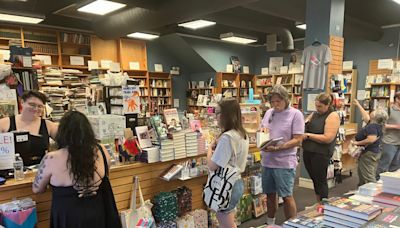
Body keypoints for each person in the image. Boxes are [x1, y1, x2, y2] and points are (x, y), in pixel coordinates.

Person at [32, 111, 121, 228]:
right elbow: (106, 171)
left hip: (67, 217)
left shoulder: (51, 158)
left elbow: (37, 189)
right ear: (88, 131)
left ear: (61, 133)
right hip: (98, 213)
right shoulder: (101, 150)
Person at [259, 85, 304, 225]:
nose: (275, 104)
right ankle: (270, 223)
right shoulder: (269, 113)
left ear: (286, 99)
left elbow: (298, 139)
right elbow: (263, 129)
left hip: (284, 162)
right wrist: (262, 135)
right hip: (267, 161)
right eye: (272, 101)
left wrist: (279, 147)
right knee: (270, 195)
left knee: (286, 196)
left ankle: (292, 224)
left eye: (278, 101)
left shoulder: (296, 114)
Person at [207, 98, 249, 228]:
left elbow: (212, 166)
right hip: (236, 182)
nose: (216, 116)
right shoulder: (241, 134)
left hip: (226, 185)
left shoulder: (227, 137)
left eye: (218, 112)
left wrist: (209, 150)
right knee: (228, 219)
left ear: (226, 115)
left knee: (225, 221)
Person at [0, 91, 58, 166]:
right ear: (22, 102)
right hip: (12, 173)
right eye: (32, 105)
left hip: (40, 171)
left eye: (40, 106)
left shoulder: (49, 125)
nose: (36, 109)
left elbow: (67, 144)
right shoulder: (3, 124)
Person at [302, 93, 340, 202]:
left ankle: (324, 205)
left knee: (321, 180)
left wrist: (308, 135)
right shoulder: (315, 114)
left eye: (320, 106)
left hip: (321, 153)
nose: (317, 108)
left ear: (328, 105)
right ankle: (318, 203)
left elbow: (328, 138)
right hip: (309, 150)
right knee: (315, 180)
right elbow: (305, 124)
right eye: (316, 106)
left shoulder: (332, 115)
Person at [353, 100, 388, 186]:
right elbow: (365, 116)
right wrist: (358, 105)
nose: (372, 112)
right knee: (362, 171)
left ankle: (373, 192)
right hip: (374, 151)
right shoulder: (376, 124)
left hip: (369, 153)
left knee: (368, 174)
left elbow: (371, 139)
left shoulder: (372, 126)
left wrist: (357, 143)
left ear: (375, 116)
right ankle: (362, 190)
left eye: (374, 112)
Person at [377, 92, 400, 176]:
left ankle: (390, 185)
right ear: (397, 99)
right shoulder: (389, 110)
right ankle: (377, 184)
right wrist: (396, 126)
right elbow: (381, 125)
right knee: (384, 165)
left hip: (399, 143)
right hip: (389, 142)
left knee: (396, 167)